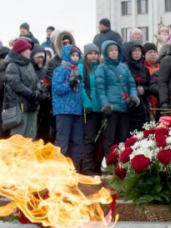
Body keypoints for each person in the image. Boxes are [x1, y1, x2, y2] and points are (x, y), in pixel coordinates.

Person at [95, 40, 139, 153]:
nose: (114, 52)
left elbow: (131, 84)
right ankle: (108, 163)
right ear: (106, 52)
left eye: (116, 50)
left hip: (124, 106)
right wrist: (105, 105)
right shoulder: (102, 68)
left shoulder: (124, 67)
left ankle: (121, 165)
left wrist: (133, 97)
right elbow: (100, 88)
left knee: (123, 138)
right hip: (112, 108)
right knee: (110, 138)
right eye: (111, 50)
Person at [52, 45, 84, 169]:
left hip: (76, 110)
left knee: (77, 142)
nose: (75, 58)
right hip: (64, 110)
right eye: (73, 55)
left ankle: (74, 169)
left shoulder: (77, 71)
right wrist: (70, 84)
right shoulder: (60, 70)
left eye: (77, 55)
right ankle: (58, 169)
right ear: (66, 56)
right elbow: (57, 89)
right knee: (62, 142)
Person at [3, 38, 42, 139]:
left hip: (31, 105)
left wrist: (38, 90)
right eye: (27, 49)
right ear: (21, 51)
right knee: (19, 138)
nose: (30, 51)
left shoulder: (29, 64)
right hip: (19, 107)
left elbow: (36, 79)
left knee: (30, 137)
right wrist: (31, 94)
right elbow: (15, 84)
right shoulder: (12, 65)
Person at [79, 44, 104, 175]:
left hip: (102, 108)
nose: (93, 55)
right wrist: (86, 104)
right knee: (89, 138)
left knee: (100, 140)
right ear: (86, 55)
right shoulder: (82, 68)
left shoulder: (101, 68)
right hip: (90, 109)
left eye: (96, 53)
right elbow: (81, 87)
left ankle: (96, 166)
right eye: (90, 53)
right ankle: (87, 168)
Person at [123, 42, 151, 135]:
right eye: (134, 50)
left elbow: (150, 86)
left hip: (142, 106)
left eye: (139, 50)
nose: (137, 53)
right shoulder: (124, 67)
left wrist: (144, 90)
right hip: (129, 106)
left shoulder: (145, 69)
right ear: (129, 53)